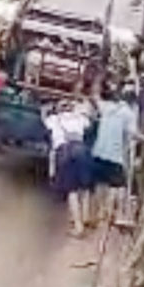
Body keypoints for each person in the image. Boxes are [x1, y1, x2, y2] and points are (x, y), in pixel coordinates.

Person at [90, 88, 144, 226]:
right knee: (118, 185)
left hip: (99, 151)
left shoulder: (107, 106)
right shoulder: (128, 114)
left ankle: (101, 211)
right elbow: (134, 134)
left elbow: (95, 98)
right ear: (133, 103)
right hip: (115, 155)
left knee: (100, 183)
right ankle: (110, 211)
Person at [44, 100, 94, 237]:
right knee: (85, 186)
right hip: (82, 150)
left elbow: (44, 119)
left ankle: (78, 227)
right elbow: (89, 120)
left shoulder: (53, 120)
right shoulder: (80, 119)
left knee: (71, 190)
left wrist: (48, 109)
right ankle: (86, 216)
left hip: (65, 153)